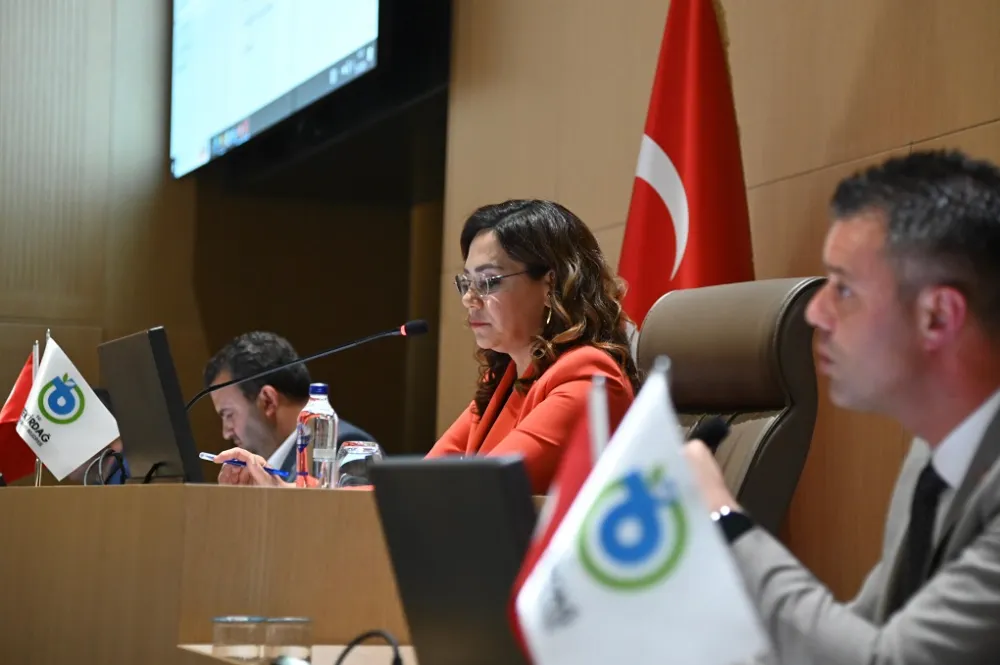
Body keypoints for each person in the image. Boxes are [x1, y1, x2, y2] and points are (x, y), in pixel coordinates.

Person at [684, 149, 1000, 664]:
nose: (816, 311)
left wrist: (722, 518)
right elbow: (862, 630)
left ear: (939, 317)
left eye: (845, 289)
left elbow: (888, 660)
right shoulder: (931, 453)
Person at [214, 199, 639, 492]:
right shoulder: (503, 381)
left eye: (488, 281)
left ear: (550, 284)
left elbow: (473, 491)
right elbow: (421, 485)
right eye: (465, 283)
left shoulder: (587, 378)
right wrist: (281, 486)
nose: (470, 299)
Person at [205, 331, 376, 484]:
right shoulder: (262, 472)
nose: (226, 432)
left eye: (228, 414)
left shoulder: (340, 446)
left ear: (268, 401)